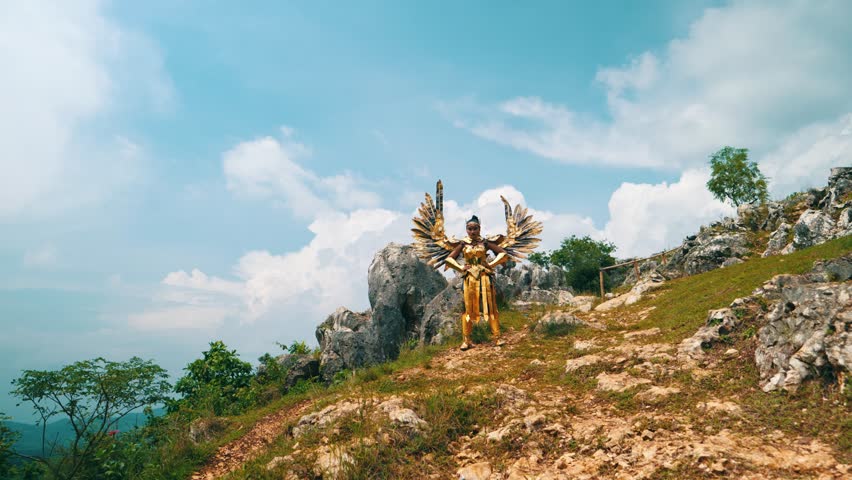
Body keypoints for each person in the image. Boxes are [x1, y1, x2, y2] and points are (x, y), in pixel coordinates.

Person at [411, 180, 542, 350]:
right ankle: (466, 340)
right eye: (470, 229)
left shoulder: (486, 242)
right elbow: (449, 259)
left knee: (491, 308)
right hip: (469, 279)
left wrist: (491, 264)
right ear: (467, 229)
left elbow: (503, 253)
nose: (472, 231)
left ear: (479, 228)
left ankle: (496, 338)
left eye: (475, 228)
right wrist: (460, 268)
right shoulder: (462, 244)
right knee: (468, 309)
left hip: (485, 277)